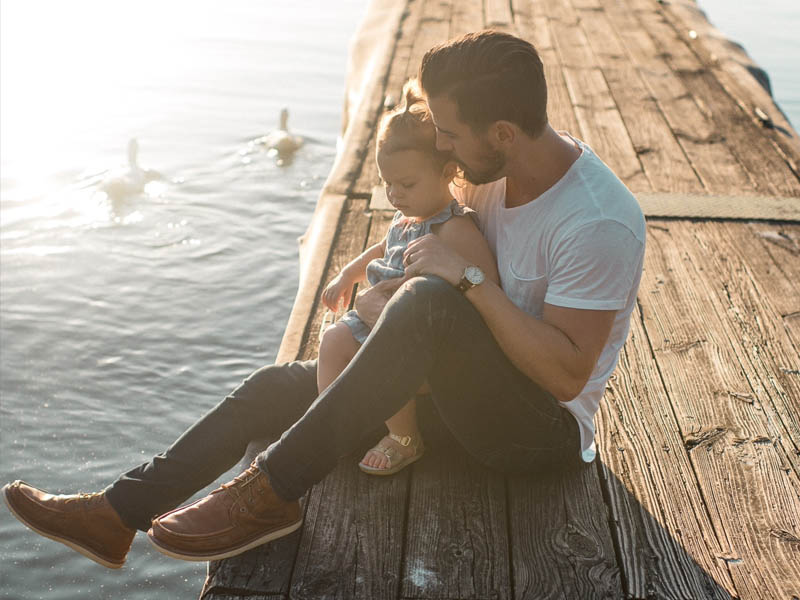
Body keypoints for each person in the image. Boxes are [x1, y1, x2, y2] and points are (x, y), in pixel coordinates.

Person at [2, 29, 645, 569]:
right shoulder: (487, 175)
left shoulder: (595, 221)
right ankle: (117, 514)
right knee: (271, 388)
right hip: (452, 394)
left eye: (449, 133)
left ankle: (272, 492)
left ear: (502, 132)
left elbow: (565, 377)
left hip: (534, 433)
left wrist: (465, 283)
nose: (440, 145)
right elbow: (424, 236)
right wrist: (375, 279)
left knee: (428, 301)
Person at [318, 80, 499, 476]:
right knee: (332, 341)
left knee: (384, 361)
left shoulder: (454, 229)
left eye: (407, 184)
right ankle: (334, 425)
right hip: (377, 313)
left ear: (448, 171)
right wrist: (348, 274)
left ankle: (405, 437)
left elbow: (485, 286)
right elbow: (384, 247)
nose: (394, 195)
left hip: (417, 338)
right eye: (387, 184)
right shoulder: (409, 216)